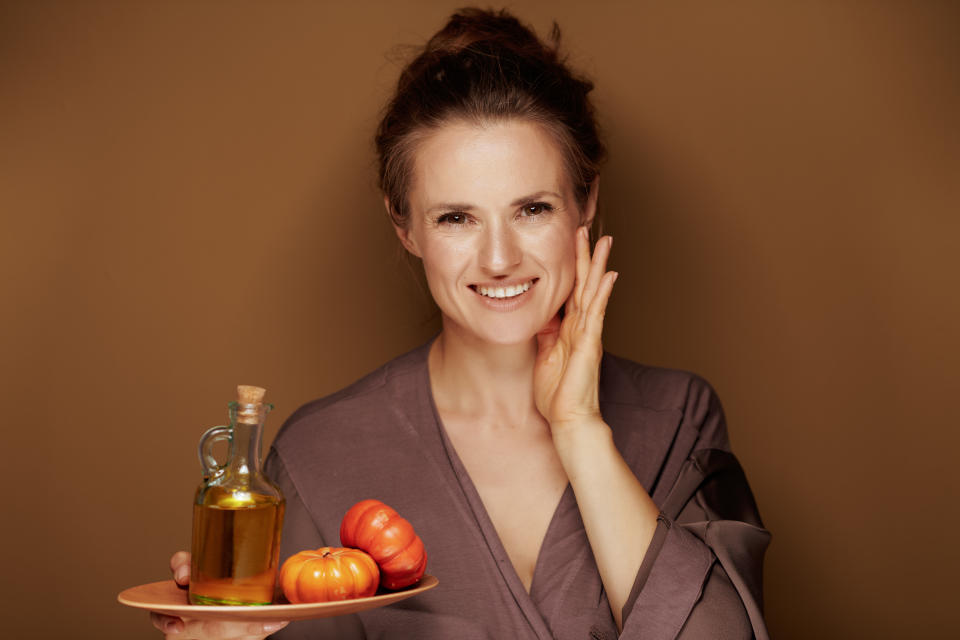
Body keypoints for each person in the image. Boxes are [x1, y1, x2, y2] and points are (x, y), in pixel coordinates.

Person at [151, 7, 770, 639]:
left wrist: (580, 430)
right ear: (406, 226)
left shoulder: (678, 418)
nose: (499, 259)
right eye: (456, 218)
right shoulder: (321, 452)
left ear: (586, 204)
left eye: (532, 208)